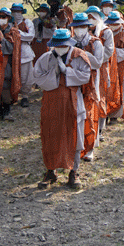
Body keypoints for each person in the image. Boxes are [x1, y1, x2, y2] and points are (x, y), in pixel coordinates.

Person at [31, 28, 93, 190]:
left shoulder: (79, 56)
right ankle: (50, 171)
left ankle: (74, 172)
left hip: (73, 102)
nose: (60, 48)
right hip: (52, 103)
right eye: (57, 45)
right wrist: (55, 73)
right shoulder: (46, 58)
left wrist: (68, 71)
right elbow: (37, 77)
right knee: (51, 134)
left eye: (63, 45)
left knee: (75, 134)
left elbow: (86, 76)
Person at [69, 13, 104, 163]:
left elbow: (98, 63)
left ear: (88, 27)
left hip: (91, 80)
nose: (79, 29)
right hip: (75, 80)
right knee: (76, 113)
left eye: (82, 26)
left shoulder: (96, 43)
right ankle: (76, 144)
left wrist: (84, 54)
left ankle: (90, 147)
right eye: (76, 27)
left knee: (90, 111)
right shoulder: (69, 42)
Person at [0, 7, 20, 121]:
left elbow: (13, 48)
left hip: (8, 62)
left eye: (4, 17)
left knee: (6, 84)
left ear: (8, 18)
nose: (1, 19)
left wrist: (2, 40)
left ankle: (7, 110)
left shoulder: (13, 32)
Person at [106, 11, 124, 121]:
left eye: (115, 24)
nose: (113, 26)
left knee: (121, 90)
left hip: (122, 67)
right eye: (111, 24)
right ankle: (106, 113)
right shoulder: (105, 33)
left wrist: (112, 53)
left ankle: (115, 115)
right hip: (108, 67)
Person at [10, 3, 36, 108]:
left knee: (26, 77)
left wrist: (18, 33)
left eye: (18, 12)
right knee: (13, 75)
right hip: (12, 52)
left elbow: (30, 36)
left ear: (22, 12)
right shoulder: (9, 23)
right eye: (14, 11)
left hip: (25, 52)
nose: (16, 14)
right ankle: (13, 96)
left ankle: (25, 96)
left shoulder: (27, 22)